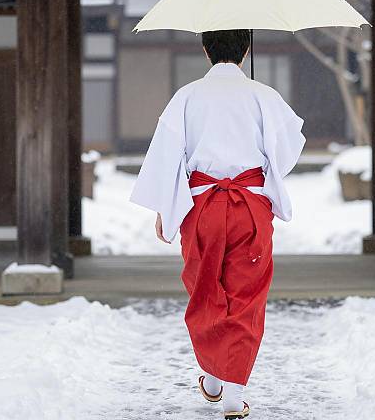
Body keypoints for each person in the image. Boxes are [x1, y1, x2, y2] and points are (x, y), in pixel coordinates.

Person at [130, 29, 305, 419]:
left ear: (206, 49)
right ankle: (232, 389)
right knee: (247, 292)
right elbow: (288, 147)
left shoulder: (187, 97)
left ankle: (212, 374)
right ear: (245, 51)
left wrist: (165, 207)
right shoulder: (264, 96)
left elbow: (166, 157)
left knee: (205, 287)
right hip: (250, 206)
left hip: (201, 206)